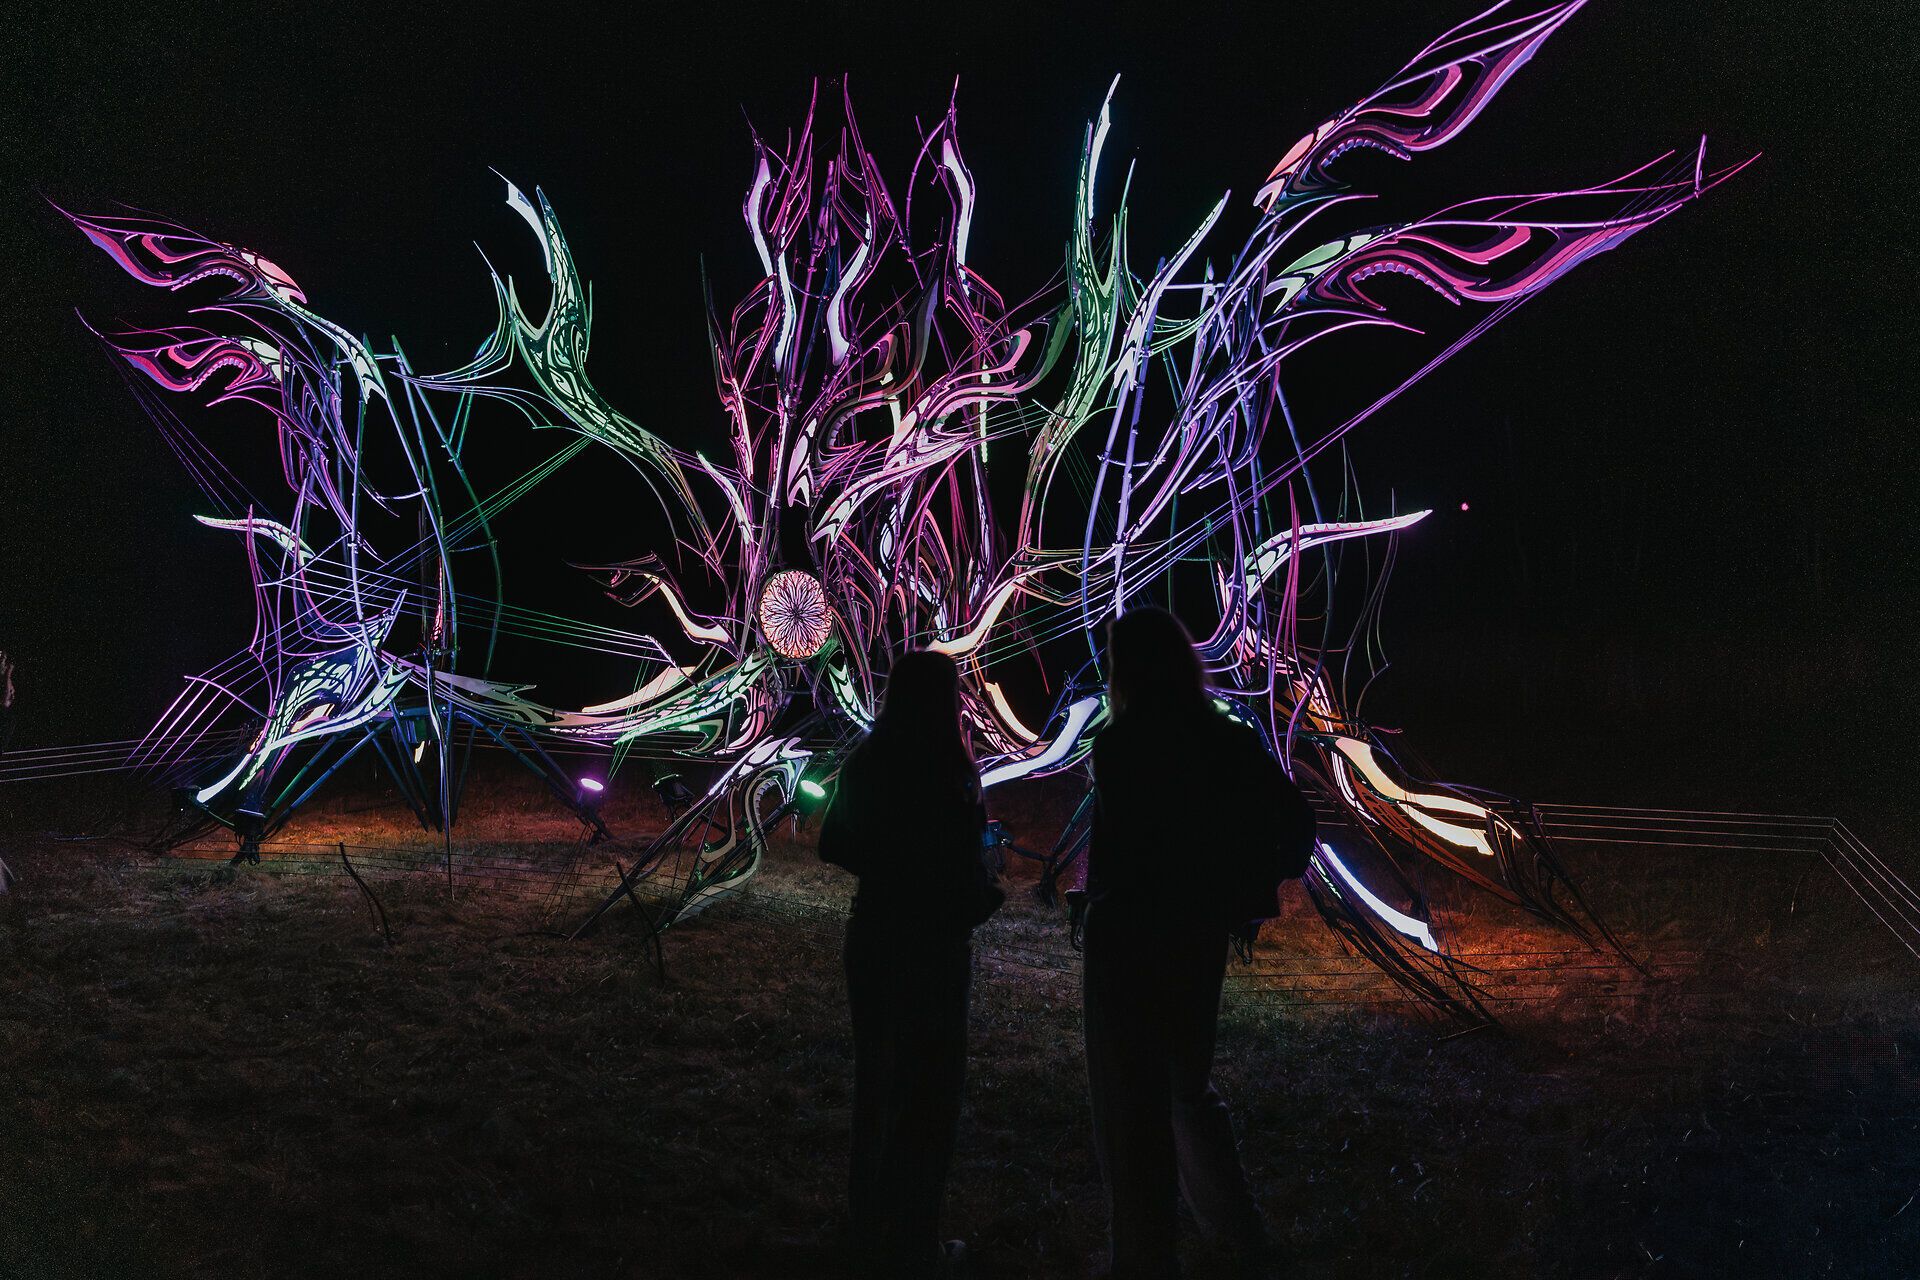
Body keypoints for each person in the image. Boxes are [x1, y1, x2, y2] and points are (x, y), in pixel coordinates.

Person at [1081, 607, 1316, 1279]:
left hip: (1129, 936)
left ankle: (1145, 1257)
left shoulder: (1121, 748)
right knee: (1186, 1079)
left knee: (1132, 1099)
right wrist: (1243, 892)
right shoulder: (1227, 742)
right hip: (1195, 933)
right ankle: (1241, 1237)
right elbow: (1296, 830)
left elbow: (1126, 853)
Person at [818, 650, 1004, 1277]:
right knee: (930, 1092)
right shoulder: (951, 771)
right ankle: (914, 1242)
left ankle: (866, 1228)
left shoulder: (869, 758)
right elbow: (962, 871)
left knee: (879, 1081)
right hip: (931, 946)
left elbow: (832, 840)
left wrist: (884, 864)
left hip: (872, 935)